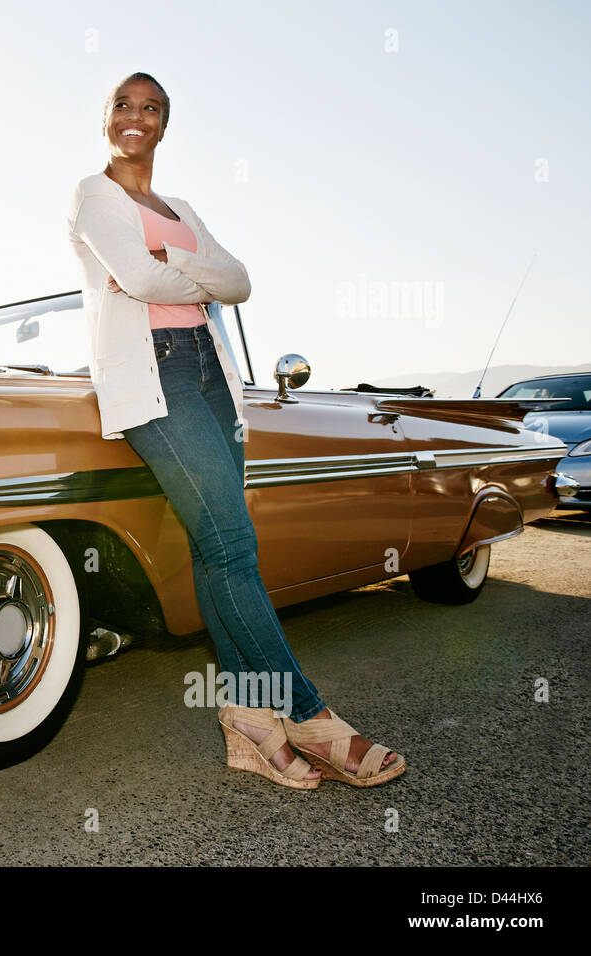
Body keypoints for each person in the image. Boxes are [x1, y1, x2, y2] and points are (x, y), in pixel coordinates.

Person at [66, 72, 405, 788]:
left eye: (150, 108)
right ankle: (308, 715)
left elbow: (240, 281)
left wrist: (173, 264)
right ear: (105, 120)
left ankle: (249, 721)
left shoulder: (179, 206)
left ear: (164, 125)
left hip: (212, 376)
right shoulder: (92, 195)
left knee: (217, 547)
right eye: (123, 105)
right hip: (156, 377)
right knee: (231, 545)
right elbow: (140, 280)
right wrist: (188, 275)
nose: (136, 117)